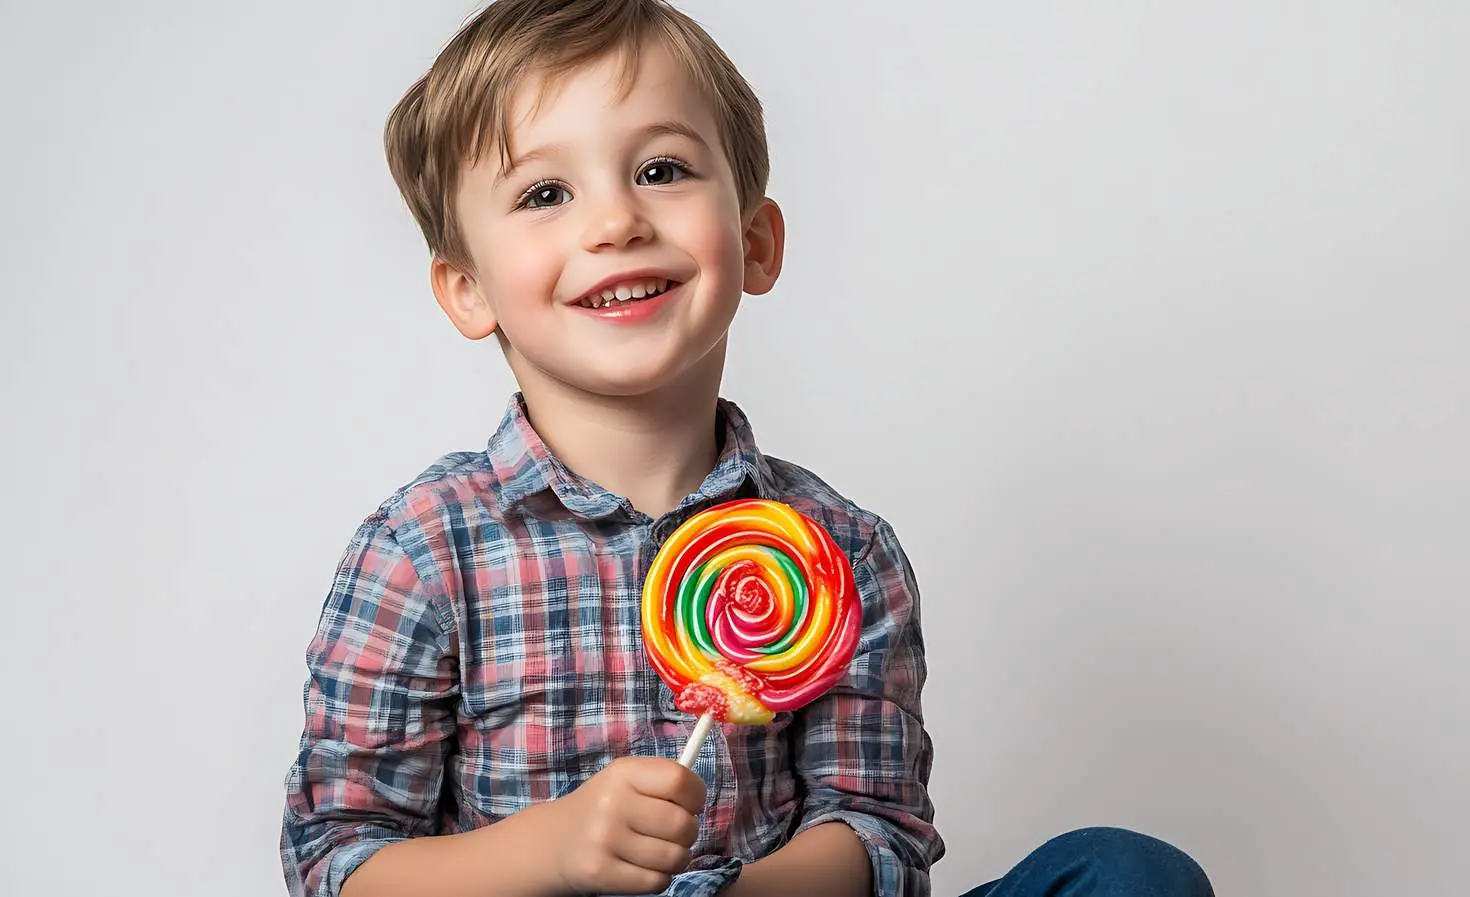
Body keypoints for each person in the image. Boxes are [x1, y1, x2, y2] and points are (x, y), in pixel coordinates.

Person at [277, 2, 1215, 896]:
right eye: (546, 193)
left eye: (661, 170)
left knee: (1124, 871)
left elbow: (877, 832)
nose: (616, 222)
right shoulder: (423, 552)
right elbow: (338, 860)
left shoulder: (839, 550)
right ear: (468, 289)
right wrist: (553, 849)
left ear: (756, 242)